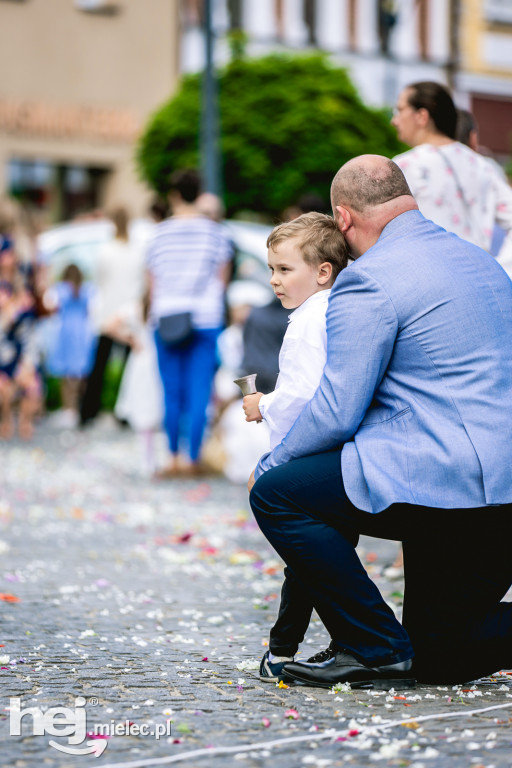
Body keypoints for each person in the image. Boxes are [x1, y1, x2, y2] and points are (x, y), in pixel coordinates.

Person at [249, 155, 512, 689]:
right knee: (440, 656)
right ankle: (393, 649)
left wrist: (271, 461)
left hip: (443, 481)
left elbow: (337, 409)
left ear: (343, 219)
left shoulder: (368, 280)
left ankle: (373, 646)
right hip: (499, 491)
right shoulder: (480, 260)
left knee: (278, 493)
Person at [241, 212, 349, 682]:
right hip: (333, 451)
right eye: (271, 269)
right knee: (316, 560)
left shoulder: (308, 321)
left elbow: (305, 394)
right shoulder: (333, 310)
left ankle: (285, 650)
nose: (273, 280)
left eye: (284, 270)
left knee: (309, 562)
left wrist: (262, 404)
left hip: (309, 455)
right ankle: (321, 644)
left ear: (322, 271)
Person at [147, 169, 234, 477]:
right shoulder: (215, 233)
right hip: (205, 318)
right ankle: (192, 458)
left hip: (167, 317)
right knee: (200, 389)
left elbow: (151, 281)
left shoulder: (158, 233)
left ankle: (171, 457)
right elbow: (222, 279)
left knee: (171, 390)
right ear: (199, 194)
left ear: (173, 195)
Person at [391, 81, 512, 265]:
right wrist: (502, 268)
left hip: (429, 281)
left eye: (399, 110)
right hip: (480, 279)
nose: (394, 120)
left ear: (421, 116)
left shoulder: (403, 167)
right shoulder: (482, 165)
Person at [79, 206, 146, 426]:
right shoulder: (137, 251)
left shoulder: (105, 250)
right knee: (129, 369)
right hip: (130, 315)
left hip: (108, 316)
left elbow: (98, 281)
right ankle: (125, 414)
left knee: (99, 367)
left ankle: (88, 412)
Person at [44, 264, 95, 428]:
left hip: (65, 332)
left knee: (66, 376)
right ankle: (81, 407)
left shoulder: (60, 289)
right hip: (81, 333)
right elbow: (90, 310)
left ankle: (69, 409)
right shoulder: (86, 289)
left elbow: (51, 307)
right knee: (81, 374)